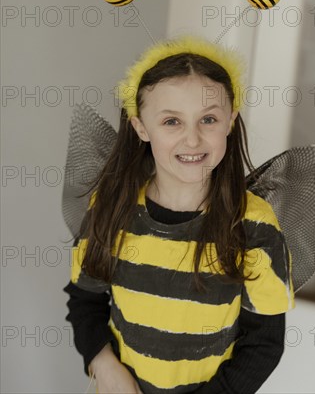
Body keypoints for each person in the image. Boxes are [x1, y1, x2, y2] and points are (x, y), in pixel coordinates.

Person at [63, 34, 295, 394]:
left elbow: (262, 344)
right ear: (141, 127)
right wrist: (104, 366)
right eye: (172, 121)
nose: (192, 140)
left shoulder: (254, 226)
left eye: (208, 119)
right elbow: (85, 300)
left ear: (230, 121)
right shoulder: (111, 209)